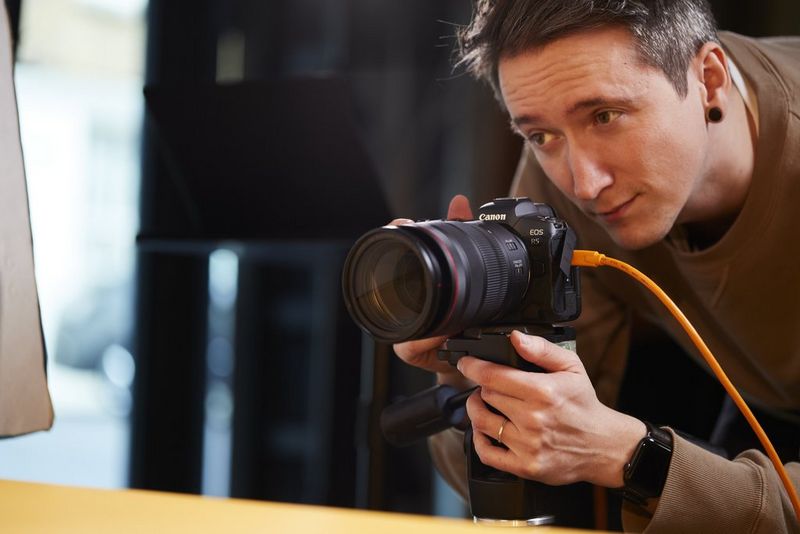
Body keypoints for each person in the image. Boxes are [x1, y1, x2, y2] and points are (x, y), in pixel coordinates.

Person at [390, 1, 800, 532]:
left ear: (709, 78)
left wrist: (635, 456)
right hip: (757, 405)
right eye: (540, 136)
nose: (584, 186)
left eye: (605, 116)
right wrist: (466, 359)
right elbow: (541, 455)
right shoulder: (555, 193)